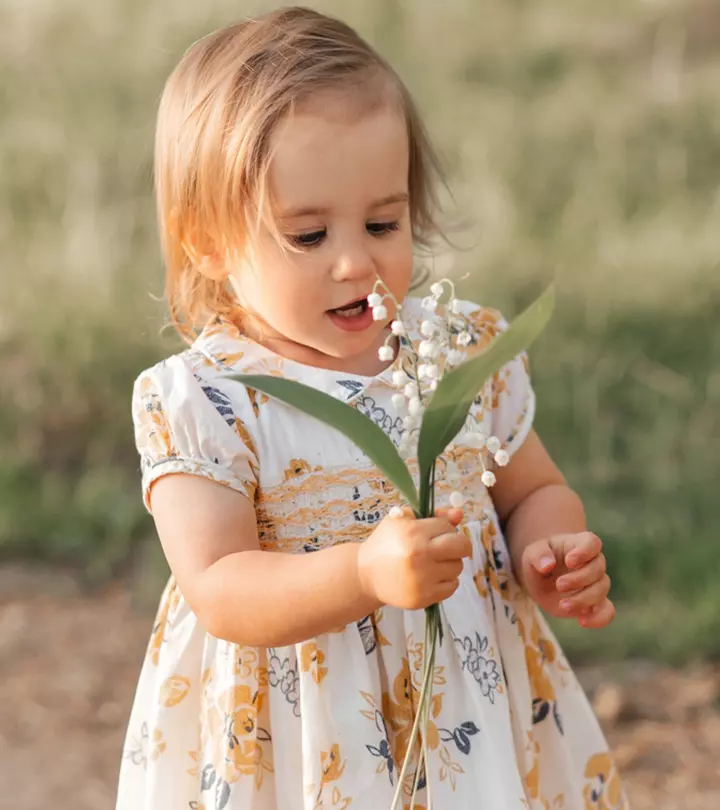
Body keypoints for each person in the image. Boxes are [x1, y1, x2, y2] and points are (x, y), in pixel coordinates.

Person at [117, 7, 626, 809]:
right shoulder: (208, 400)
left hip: (468, 716)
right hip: (306, 743)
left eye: (384, 221)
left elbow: (528, 489)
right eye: (309, 235)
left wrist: (548, 550)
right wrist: (362, 572)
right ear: (208, 242)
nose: (357, 260)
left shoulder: (454, 355)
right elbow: (219, 585)